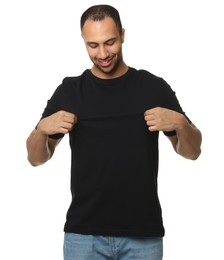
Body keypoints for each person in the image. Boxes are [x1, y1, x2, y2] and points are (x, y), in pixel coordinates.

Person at [26, 4, 202, 260]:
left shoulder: (153, 87)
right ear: (84, 42)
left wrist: (181, 124)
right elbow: (36, 159)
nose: (103, 53)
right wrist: (41, 131)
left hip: (143, 234)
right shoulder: (70, 91)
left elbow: (192, 151)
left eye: (110, 42)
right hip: (83, 236)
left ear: (122, 34)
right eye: (93, 45)